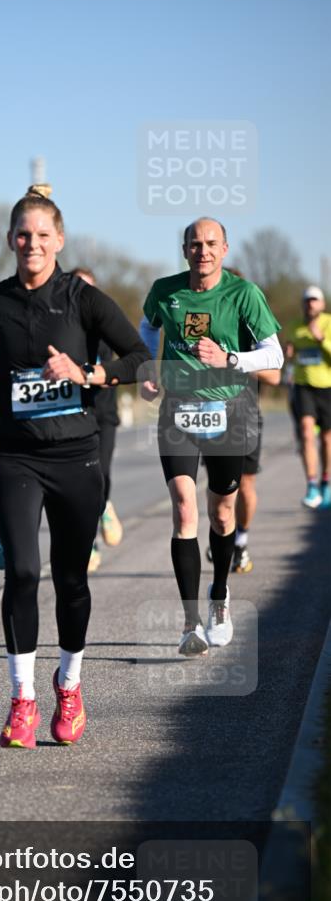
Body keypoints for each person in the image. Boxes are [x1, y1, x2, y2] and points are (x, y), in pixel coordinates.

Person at [0, 188, 150, 748]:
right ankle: (22, 700)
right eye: (23, 234)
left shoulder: (83, 299)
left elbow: (139, 358)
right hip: (15, 456)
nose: (32, 244)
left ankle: (69, 685)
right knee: (21, 572)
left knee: (70, 578)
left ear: (59, 240)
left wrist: (86, 374)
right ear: (9, 240)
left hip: (75, 456)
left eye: (43, 235)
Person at [141, 218, 283, 657]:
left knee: (222, 514)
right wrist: (149, 367)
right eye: (195, 244)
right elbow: (147, 328)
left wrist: (229, 358)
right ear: (184, 250)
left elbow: (275, 355)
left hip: (229, 412)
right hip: (178, 412)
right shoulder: (164, 291)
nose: (202, 251)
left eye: (210, 243)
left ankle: (219, 595)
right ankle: (190, 624)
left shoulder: (243, 294)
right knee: (184, 508)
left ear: (224, 249)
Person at [70, 267, 124, 573]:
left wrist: (103, 375)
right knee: (80, 481)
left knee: (101, 473)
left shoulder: (105, 324)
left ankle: (104, 507)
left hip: (103, 413)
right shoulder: (59, 327)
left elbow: (128, 358)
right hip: (73, 414)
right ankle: (88, 540)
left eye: (88, 288)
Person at [285, 285, 331, 509]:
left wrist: (322, 340)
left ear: (322, 304)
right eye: (307, 300)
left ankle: (326, 482)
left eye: (314, 300)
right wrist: (288, 354)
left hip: (327, 386)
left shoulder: (329, 323)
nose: (310, 304)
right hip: (303, 386)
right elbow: (290, 357)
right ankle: (311, 484)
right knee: (306, 431)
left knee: (327, 439)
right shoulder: (294, 326)